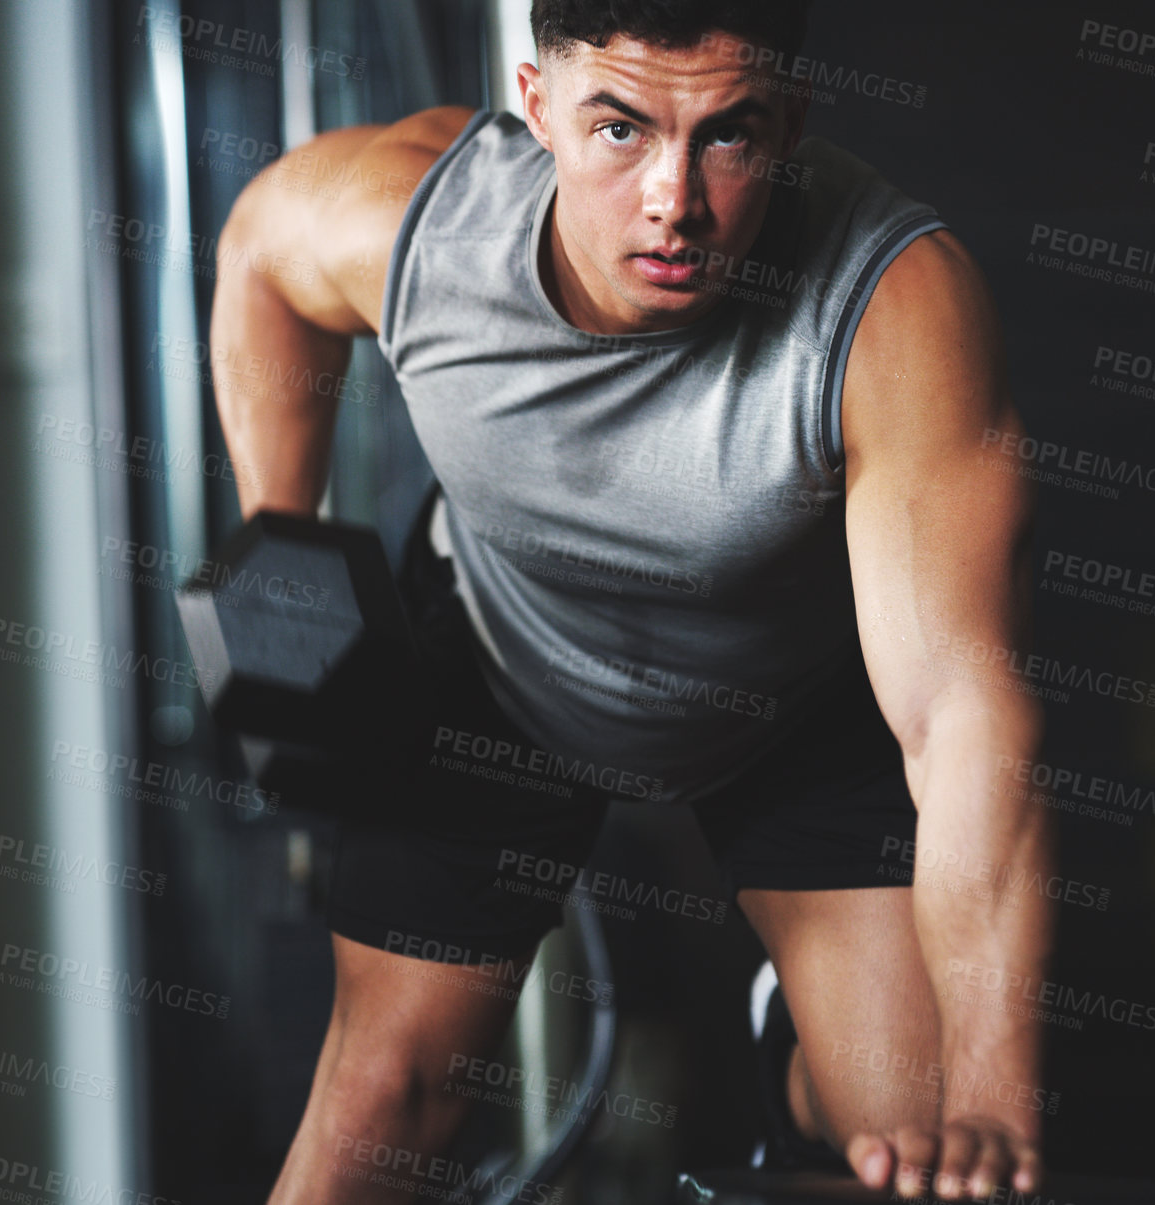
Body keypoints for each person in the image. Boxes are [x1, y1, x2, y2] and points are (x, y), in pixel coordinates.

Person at [211, 1, 1053, 1200]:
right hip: (499, 659)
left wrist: (991, 1100)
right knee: (382, 1108)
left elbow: (966, 715)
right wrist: (279, 547)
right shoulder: (416, 227)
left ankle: (792, 1064)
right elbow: (256, 254)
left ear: (793, 126)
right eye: (617, 128)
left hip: (787, 698)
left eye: (728, 136)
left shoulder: (893, 307)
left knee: (906, 1138)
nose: (674, 200)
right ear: (538, 107)